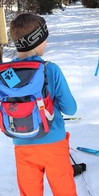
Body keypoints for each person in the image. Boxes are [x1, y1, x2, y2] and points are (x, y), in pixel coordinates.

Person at [9, 13, 77, 196]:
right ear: (37, 41)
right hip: (53, 141)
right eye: (44, 40)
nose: (46, 44)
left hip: (22, 142)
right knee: (64, 188)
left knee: (29, 191)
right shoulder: (50, 69)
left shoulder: (6, 74)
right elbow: (71, 108)